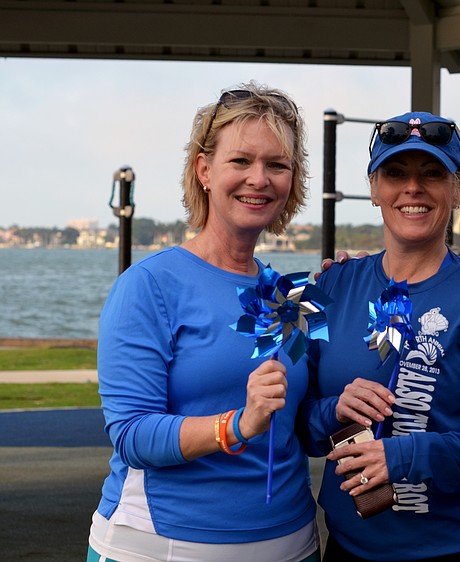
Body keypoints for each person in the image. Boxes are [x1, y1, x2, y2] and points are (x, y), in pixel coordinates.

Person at [86, 82, 321, 562]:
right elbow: (132, 435)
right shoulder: (149, 285)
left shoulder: (291, 295)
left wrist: (343, 404)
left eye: (276, 165)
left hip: (292, 542)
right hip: (163, 544)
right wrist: (238, 424)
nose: (259, 178)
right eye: (241, 161)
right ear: (204, 169)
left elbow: (303, 425)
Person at [299, 111, 460, 561]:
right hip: (349, 547)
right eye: (395, 173)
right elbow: (301, 428)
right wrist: (332, 411)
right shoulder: (334, 287)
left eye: (432, 173)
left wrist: (400, 457)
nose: (412, 188)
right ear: (375, 188)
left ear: (457, 188)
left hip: (455, 550)